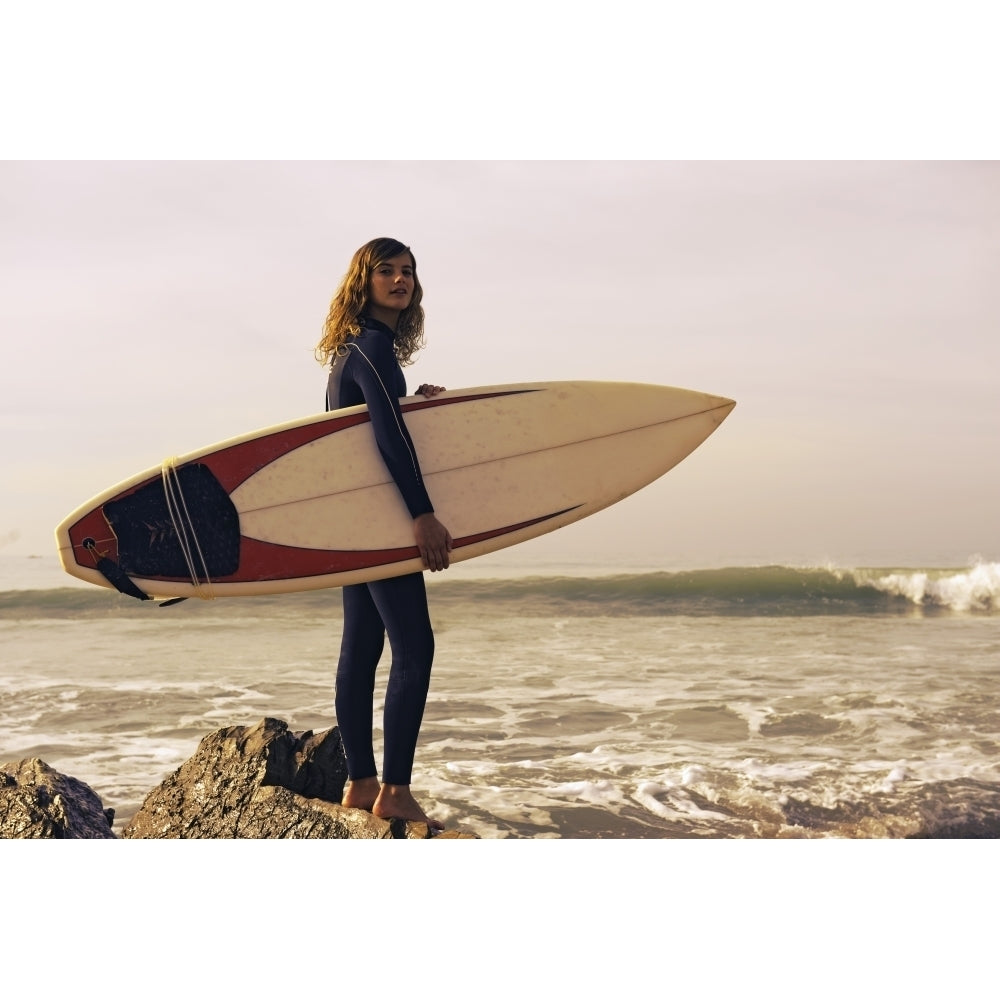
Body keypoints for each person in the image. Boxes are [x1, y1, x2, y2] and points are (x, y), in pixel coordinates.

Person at [315, 237, 452, 831]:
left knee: (361, 652)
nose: (401, 280)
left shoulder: (357, 353)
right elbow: (387, 441)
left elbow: (373, 428)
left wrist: (414, 405)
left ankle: (360, 781)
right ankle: (393, 789)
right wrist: (422, 514)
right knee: (414, 649)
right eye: (387, 271)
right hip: (381, 524)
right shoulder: (371, 349)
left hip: (354, 526)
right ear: (363, 282)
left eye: (409, 272)